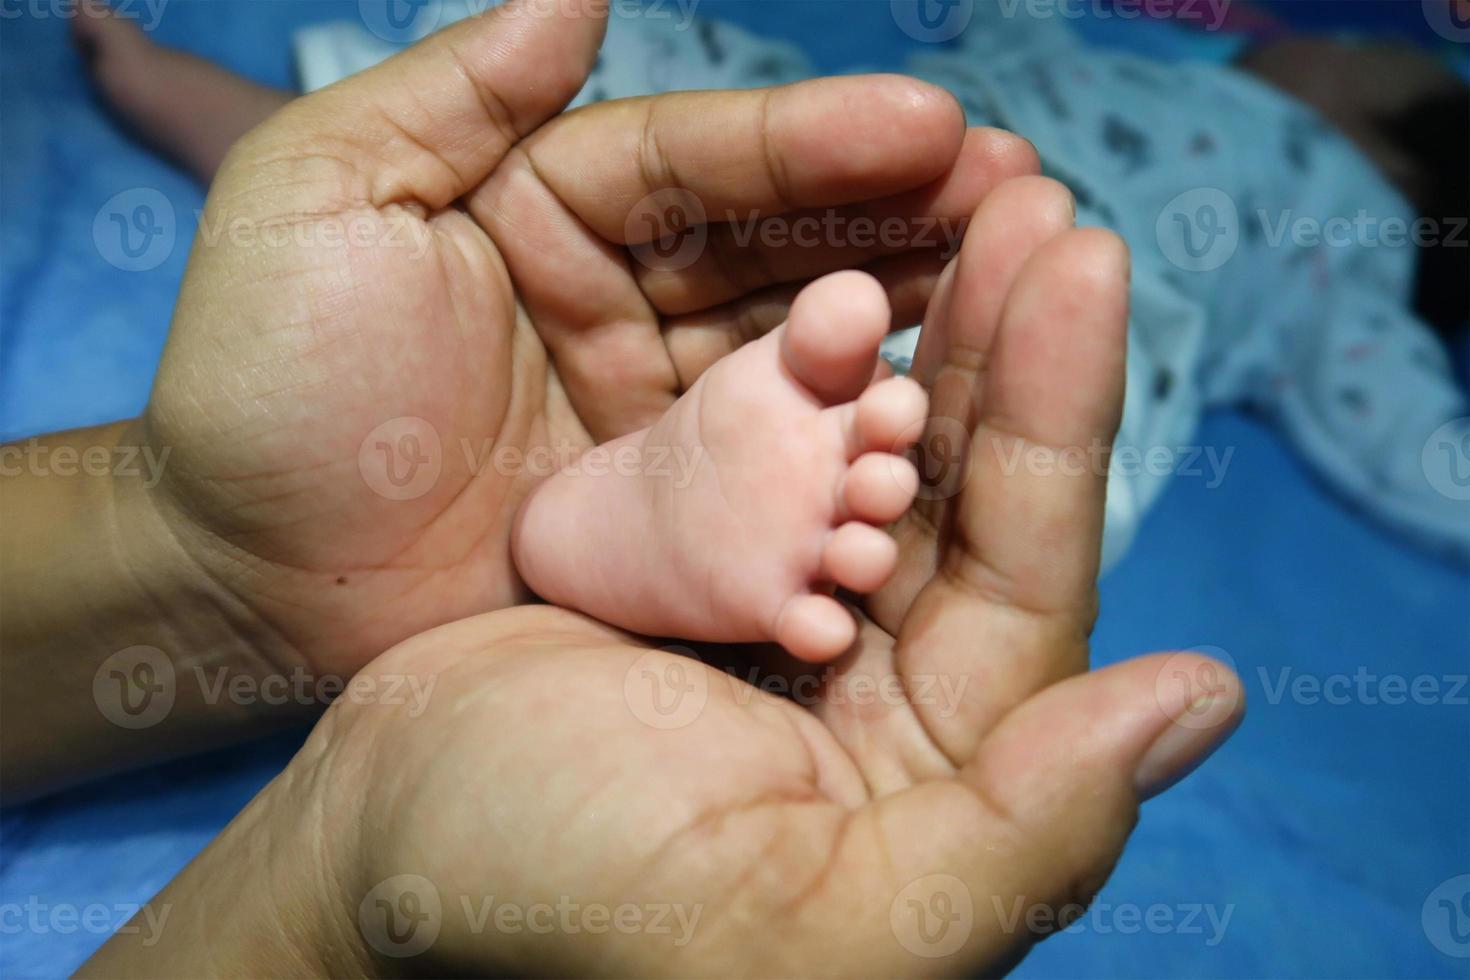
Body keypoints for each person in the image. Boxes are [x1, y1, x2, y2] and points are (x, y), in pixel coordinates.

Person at [3, 1, 1242, 974]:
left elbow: (1390, 396)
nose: (1342, 57)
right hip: (910, 204)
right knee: (590, 158)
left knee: (1032, 432)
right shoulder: (1156, 63)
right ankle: (712, 492)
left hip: (1049, 301)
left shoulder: (1339, 218)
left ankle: (756, 493)